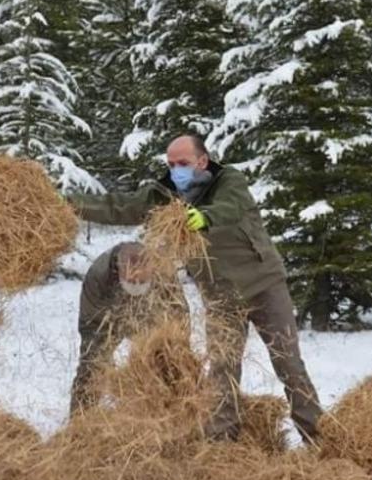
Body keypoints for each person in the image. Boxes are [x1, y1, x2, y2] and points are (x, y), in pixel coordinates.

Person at [73, 134, 322, 442]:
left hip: (264, 286)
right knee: (222, 370)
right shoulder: (165, 195)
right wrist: (69, 205)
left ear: (202, 161)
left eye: (183, 163)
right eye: (171, 164)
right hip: (220, 296)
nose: (177, 170)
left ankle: (317, 436)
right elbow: (119, 206)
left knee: (288, 364)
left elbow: (230, 207)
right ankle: (221, 443)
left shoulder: (229, 180)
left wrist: (203, 217)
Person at [70, 242, 188, 413]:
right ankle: (79, 421)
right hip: (106, 316)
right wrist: (96, 351)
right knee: (92, 367)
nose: (137, 284)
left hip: (148, 314)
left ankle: (165, 414)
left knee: (163, 364)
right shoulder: (99, 274)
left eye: (141, 282)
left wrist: (179, 347)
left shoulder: (164, 271)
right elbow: (91, 322)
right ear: (120, 271)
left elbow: (179, 312)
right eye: (132, 282)